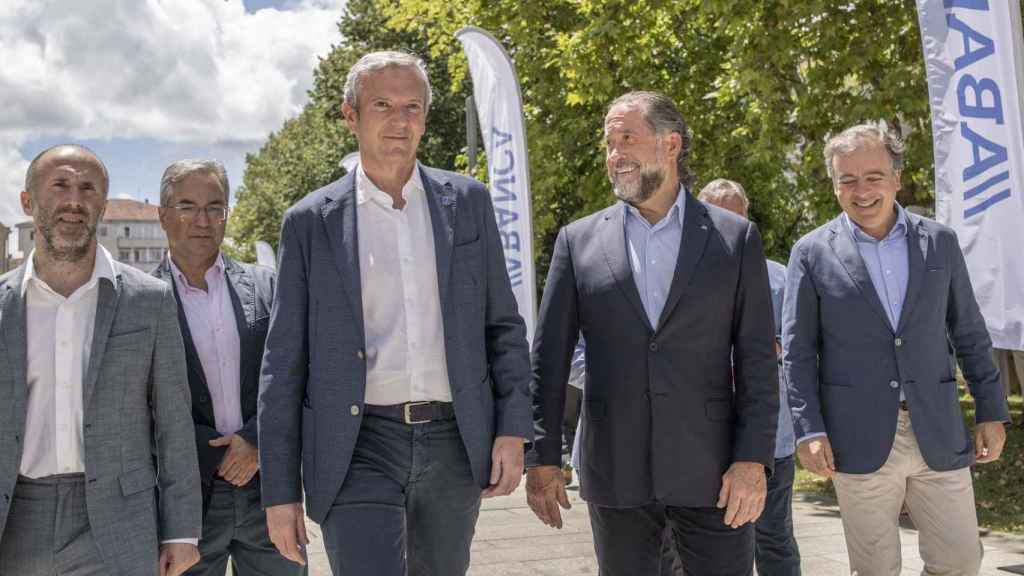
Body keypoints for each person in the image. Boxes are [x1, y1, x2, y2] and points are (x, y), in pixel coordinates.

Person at [257, 51, 533, 576]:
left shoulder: (469, 203)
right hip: (356, 445)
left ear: (425, 117)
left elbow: (503, 325)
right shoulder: (310, 223)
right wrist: (279, 493)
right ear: (350, 115)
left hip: (455, 441)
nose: (400, 120)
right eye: (382, 104)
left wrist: (513, 428)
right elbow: (283, 363)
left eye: (412, 107)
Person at [527, 91, 779, 576]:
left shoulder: (734, 238)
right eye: (608, 143)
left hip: (716, 473)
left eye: (627, 138)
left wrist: (752, 460)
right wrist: (542, 457)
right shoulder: (577, 241)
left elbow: (757, 362)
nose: (615, 153)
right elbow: (549, 361)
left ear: (671, 145)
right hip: (615, 472)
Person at [783, 124, 1009, 576]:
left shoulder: (939, 242)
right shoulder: (810, 253)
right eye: (847, 179)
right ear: (833, 185)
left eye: (874, 176)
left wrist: (991, 410)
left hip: (938, 427)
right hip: (856, 437)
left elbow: (969, 332)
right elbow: (798, 352)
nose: (861, 190)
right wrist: (809, 430)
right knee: (875, 570)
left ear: (897, 179)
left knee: (961, 562)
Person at [0, 144, 201, 575]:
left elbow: (174, 423)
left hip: (117, 521)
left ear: (103, 206)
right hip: (15, 517)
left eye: (88, 188)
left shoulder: (150, 300)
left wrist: (181, 532)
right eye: (60, 185)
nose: (74, 200)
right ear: (28, 201)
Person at [152, 160, 303, 576]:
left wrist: (255, 439)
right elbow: (136, 401)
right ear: (163, 215)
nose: (203, 220)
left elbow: (294, 374)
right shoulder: (140, 302)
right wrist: (212, 453)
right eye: (187, 206)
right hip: (187, 504)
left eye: (215, 207)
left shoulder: (267, 286)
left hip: (269, 491)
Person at [698, 179, 800, 576]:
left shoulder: (779, 278)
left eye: (735, 215)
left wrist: (766, 346)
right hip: (702, 441)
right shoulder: (683, 278)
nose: (726, 224)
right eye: (716, 215)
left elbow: (802, 345)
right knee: (707, 545)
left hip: (773, 440)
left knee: (774, 540)